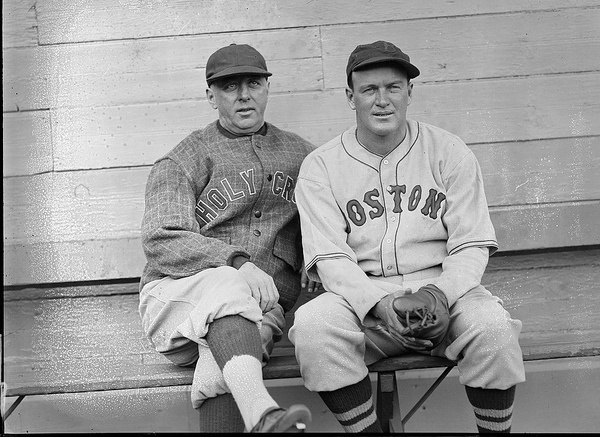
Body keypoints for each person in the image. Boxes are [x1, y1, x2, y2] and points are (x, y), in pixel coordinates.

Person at [289, 40, 526, 433]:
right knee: (314, 326)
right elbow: (330, 259)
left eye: (393, 87)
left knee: (494, 329)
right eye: (369, 90)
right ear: (351, 97)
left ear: (409, 92)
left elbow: (470, 245)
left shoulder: (449, 152)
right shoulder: (321, 167)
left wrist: (440, 294)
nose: (382, 100)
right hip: (364, 302)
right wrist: (378, 304)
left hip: (444, 293)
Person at [138, 43, 319, 433]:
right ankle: (263, 412)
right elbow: (160, 239)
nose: (243, 95)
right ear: (210, 95)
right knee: (226, 283)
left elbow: (333, 220)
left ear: (267, 88)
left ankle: (262, 419)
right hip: (175, 303)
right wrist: (238, 262)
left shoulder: (305, 157)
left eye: (253, 83)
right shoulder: (184, 158)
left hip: (258, 314)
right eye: (229, 87)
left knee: (224, 358)